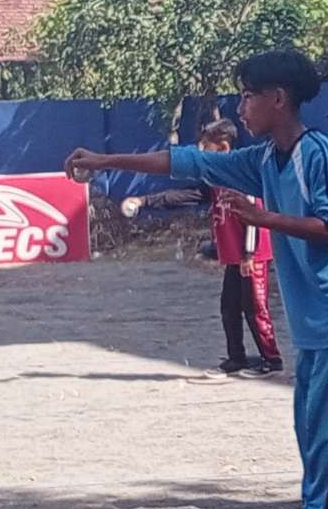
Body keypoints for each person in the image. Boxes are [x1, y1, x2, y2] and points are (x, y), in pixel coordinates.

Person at [65, 50, 328, 509]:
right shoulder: (264, 159)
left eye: (248, 95)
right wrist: (105, 162)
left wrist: (264, 216)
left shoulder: (319, 153)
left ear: (278, 98)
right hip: (315, 313)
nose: (241, 107)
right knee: (309, 421)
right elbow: (187, 162)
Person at [121, 119, 283, 378]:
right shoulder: (215, 176)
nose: (200, 149)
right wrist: (144, 200)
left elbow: (254, 213)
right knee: (229, 306)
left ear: (223, 147)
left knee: (255, 307)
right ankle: (236, 357)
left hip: (250, 254)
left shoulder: (240, 173)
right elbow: (187, 196)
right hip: (234, 256)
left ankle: (271, 360)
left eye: (205, 145)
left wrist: (249, 254)